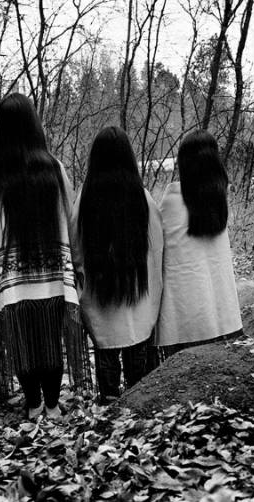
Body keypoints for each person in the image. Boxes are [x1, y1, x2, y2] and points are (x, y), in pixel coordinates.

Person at [0, 93, 87, 420]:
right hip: (52, 277)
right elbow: (69, 219)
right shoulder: (53, 166)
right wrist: (75, 267)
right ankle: (52, 406)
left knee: (22, 346)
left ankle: (34, 404)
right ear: (35, 125)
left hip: (11, 282)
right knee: (51, 343)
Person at [70, 126, 163, 403]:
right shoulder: (141, 197)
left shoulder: (84, 201)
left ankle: (110, 406)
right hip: (137, 296)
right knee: (140, 364)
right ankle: (139, 405)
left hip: (101, 299)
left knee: (107, 358)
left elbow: (75, 251)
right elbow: (157, 246)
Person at [155, 130, 243, 353]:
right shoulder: (220, 199)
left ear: (185, 163)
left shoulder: (173, 199)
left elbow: (157, 244)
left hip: (184, 319)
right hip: (222, 316)